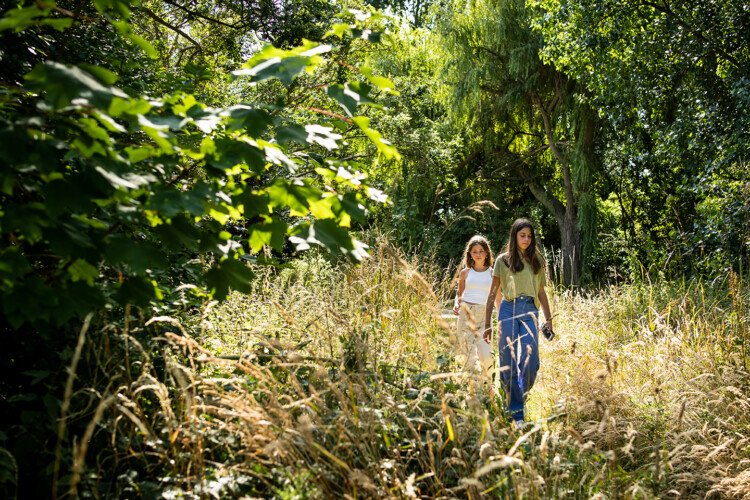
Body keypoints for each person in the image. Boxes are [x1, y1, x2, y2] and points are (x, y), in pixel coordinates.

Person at [483, 219, 553, 426]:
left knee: (531, 362)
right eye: (522, 235)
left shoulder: (537, 260)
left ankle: (518, 396)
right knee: (508, 360)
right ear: (514, 236)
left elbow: (541, 292)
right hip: (507, 309)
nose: (526, 239)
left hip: (530, 310)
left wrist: (549, 320)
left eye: (529, 236)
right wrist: (488, 322)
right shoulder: (502, 261)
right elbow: (493, 293)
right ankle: (515, 412)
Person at [453, 235, 501, 387]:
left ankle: (488, 389)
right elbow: (459, 294)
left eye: (481, 251)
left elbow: (498, 298)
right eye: (475, 251)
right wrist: (456, 304)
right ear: (470, 254)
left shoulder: (494, 273)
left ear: (487, 253)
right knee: (469, 355)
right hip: (466, 314)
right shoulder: (465, 273)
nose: (478, 254)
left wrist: (500, 319)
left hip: (484, 316)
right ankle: (472, 390)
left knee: (486, 356)